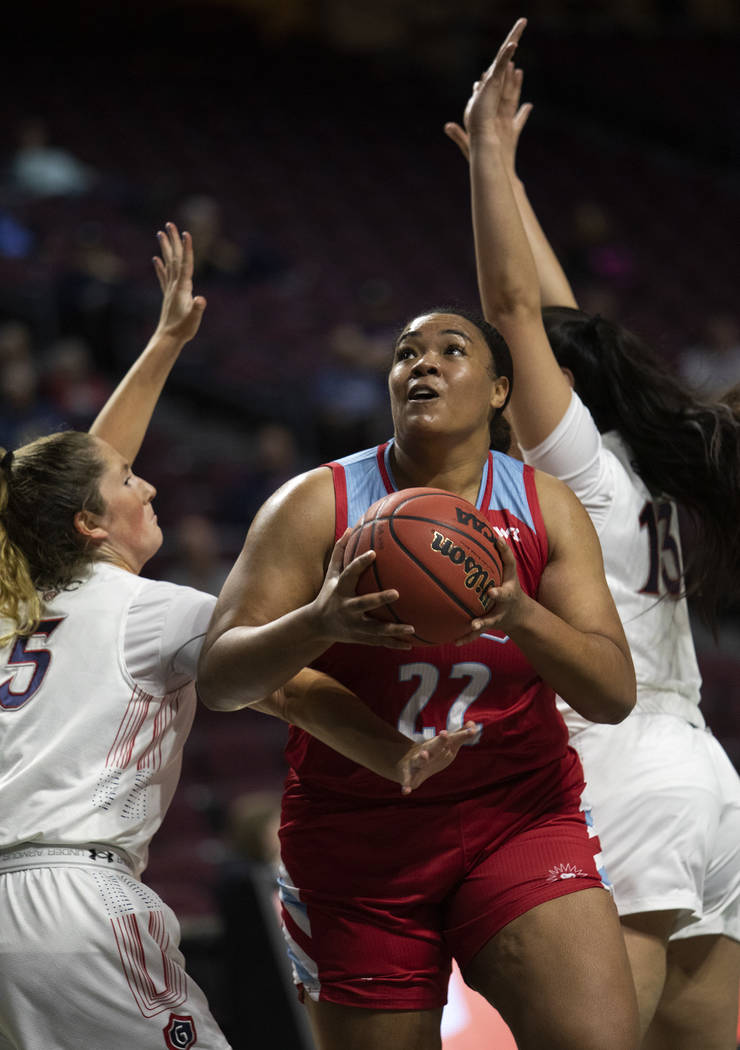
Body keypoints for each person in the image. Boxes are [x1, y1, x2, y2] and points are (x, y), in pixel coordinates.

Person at [196, 23, 640, 1050]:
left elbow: (610, 694)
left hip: (516, 815)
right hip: (356, 844)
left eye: (449, 349)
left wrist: (516, 612)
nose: (420, 363)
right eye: (404, 354)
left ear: (496, 389)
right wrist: (320, 618)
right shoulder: (316, 503)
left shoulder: (540, 503)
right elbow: (221, 675)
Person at [0, 224, 475, 1050]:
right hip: (73, 901)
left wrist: (164, 343)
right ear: (87, 523)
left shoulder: (17, 601)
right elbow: (283, 684)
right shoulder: (148, 610)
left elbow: (74, 478)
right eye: (127, 483)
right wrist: (388, 748)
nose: (146, 482)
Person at [446, 19, 740, 1047]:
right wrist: (513, 182)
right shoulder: (636, 464)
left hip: (618, 762)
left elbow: (518, 308)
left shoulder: (572, 470)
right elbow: (567, 320)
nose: (494, 394)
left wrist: (486, 160)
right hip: (698, 769)